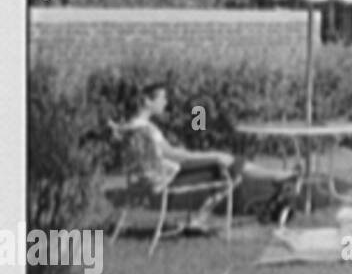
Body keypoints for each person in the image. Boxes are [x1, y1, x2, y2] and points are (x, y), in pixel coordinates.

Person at [119, 82, 292, 225]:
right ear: (148, 102)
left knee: (228, 162)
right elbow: (175, 156)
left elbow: (164, 153)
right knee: (225, 165)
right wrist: (209, 156)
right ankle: (277, 177)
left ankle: (277, 177)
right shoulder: (147, 130)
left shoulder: (131, 127)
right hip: (166, 179)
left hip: (150, 178)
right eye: (162, 98)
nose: (165, 102)